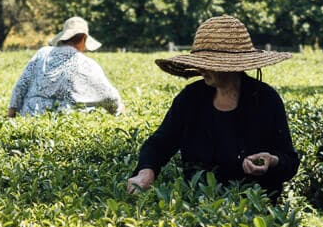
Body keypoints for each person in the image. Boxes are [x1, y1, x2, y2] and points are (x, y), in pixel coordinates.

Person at [127, 15, 299, 199]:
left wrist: (272, 161)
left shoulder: (265, 100)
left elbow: (289, 161)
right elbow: (160, 143)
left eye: (208, 64)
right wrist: (146, 171)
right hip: (198, 204)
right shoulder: (191, 98)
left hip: (253, 207)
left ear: (231, 66)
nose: (201, 69)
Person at [7, 16, 124, 117]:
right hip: (64, 123)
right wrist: (120, 114)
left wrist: (10, 118)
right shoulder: (88, 65)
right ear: (84, 38)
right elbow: (111, 98)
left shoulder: (42, 53)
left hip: (30, 120)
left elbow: (20, 86)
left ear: (63, 37)